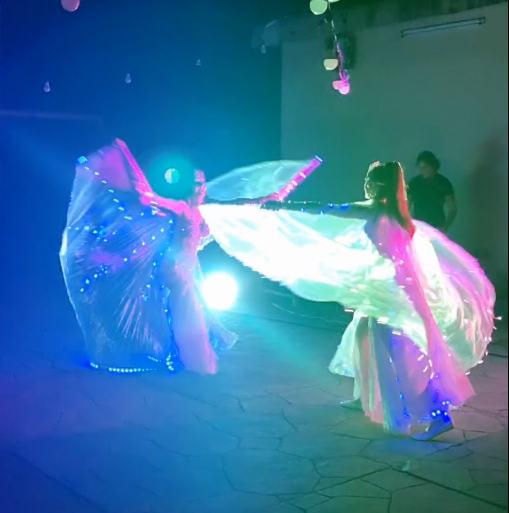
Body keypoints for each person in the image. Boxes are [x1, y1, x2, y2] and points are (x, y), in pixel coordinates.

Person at [200, 162, 496, 439]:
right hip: (389, 289)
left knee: (402, 352)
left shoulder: (380, 211)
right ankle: (367, 396)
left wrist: (284, 206)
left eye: (371, 181)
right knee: (363, 336)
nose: (366, 185)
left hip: (395, 294)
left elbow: (327, 210)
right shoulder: (394, 213)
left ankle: (437, 413)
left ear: (381, 186)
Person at [61, 139, 320, 376]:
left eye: (203, 183)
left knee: (182, 309)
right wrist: (128, 162)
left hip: (189, 266)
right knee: (187, 310)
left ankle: (179, 353)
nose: (201, 188)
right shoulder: (182, 207)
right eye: (196, 184)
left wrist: (279, 192)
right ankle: (193, 359)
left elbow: (243, 204)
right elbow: (148, 198)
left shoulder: (206, 209)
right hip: (176, 268)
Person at [408, 151, 457, 233]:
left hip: (437, 227)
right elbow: (406, 205)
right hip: (418, 227)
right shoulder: (414, 182)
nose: (422, 171)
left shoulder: (444, 183)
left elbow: (452, 208)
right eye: (420, 168)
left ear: (433, 166)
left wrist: (445, 226)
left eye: (425, 168)